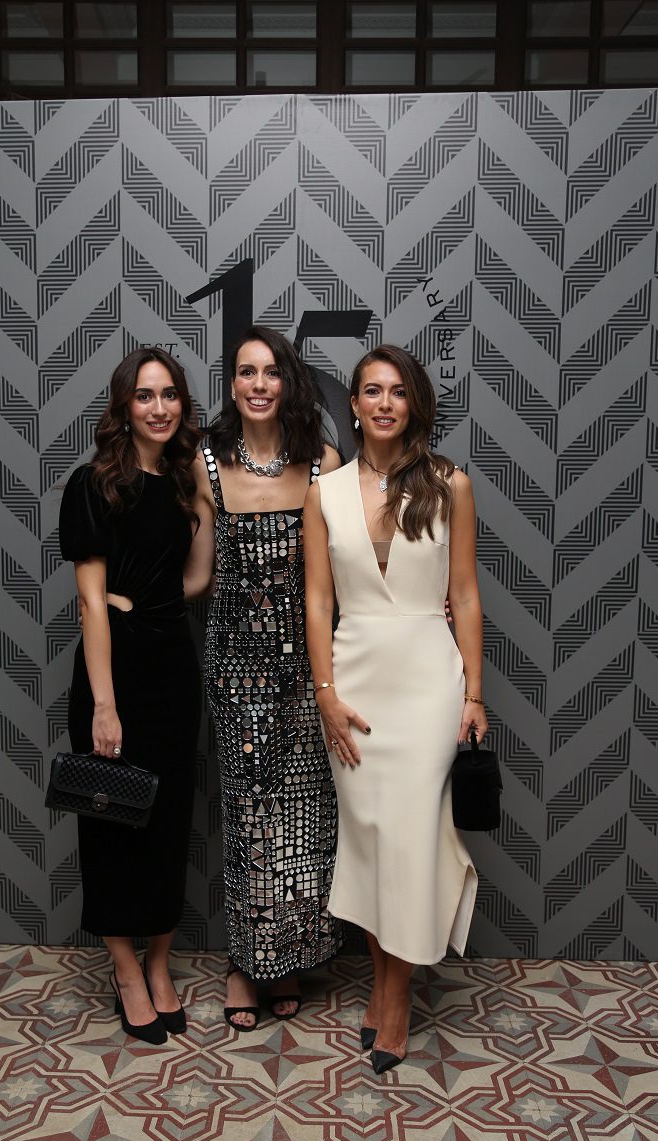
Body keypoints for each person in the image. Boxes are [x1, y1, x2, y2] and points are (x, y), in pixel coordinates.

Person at [303, 344, 486, 1073]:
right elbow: (318, 602)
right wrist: (325, 694)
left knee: (409, 840)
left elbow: (464, 595)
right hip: (353, 682)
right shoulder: (325, 491)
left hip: (427, 683)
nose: (385, 403)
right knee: (373, 842)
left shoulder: (450, 484)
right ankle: (383, 983)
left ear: (414, 405)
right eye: (372, 391)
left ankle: (397, 994)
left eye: (398, 391)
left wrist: (474, 693)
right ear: (352, 405)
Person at [187, 325, 342, 1030]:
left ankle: (291, 958)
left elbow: (335, 577)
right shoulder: (207, 463)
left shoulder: (322, 463)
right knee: (251, 814)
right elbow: (199, 575)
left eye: (270, 372)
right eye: (246, 372)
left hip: (308, 663)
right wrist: (124, 599)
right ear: (232, 385)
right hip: (236, 665)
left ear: (288, 383)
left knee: (305, 813)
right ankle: (246, 965)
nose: (258, 384)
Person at [59, 347, 213, 1045]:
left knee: (169, 819)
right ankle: (125, 969)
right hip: (112, 670)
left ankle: (159, 963)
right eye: (145, 395)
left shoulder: (182, 482)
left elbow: (198, 579)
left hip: (172, 666)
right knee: (112, 821)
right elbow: (91, 603)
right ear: (124, 406)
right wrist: (104, 704)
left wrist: (201, 494)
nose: (159, 407)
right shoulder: (94, 484)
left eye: (170, 394)